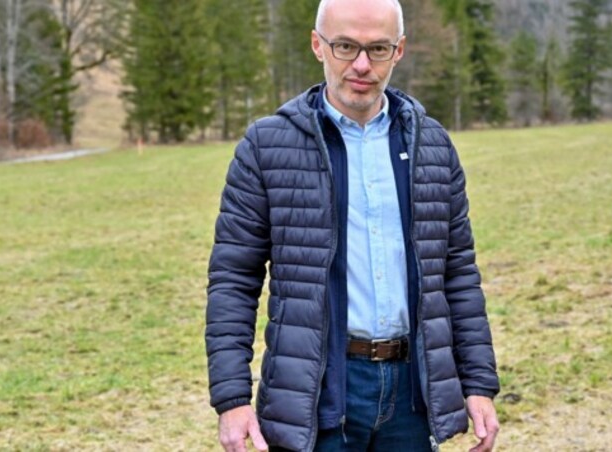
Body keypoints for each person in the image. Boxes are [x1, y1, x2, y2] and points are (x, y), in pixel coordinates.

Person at [205, 0, 500, 450]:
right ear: (317, 45)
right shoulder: (266, 147)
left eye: (378, 49)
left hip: (412, 395)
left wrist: (478, 384)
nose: (362, 65)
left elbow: (458, 273)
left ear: (399, 51)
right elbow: (233, 279)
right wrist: (231, 399)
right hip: (317, 392)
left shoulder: (433, 145)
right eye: (345, 46)